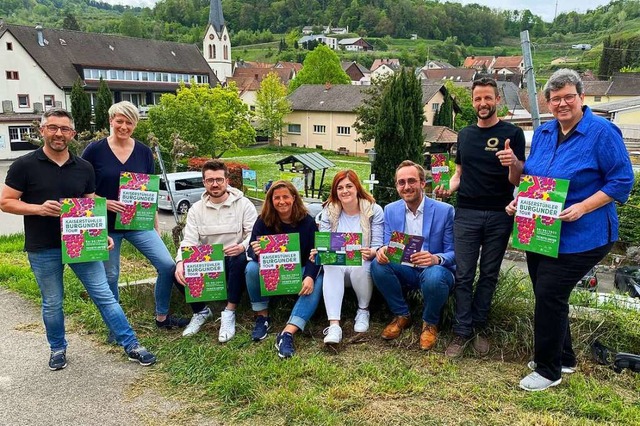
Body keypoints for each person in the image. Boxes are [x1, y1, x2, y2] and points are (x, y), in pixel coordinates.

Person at [505, 69, 633, 391]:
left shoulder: (603, 133)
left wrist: (583, 206)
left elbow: (622, 180)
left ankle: (548, 371)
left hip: (585, 233)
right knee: (548, 295)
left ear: (581, 98)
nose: (562, 103)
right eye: (555, 98)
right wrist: (520, 200)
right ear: (548, 103)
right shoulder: (546, 134)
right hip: (542, 231)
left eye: (568, 97)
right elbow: (535, 179)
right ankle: (564, 357)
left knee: (549, 292)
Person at [0, 108, 156, 370]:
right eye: (53, 128)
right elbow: (5, 202)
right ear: (43, 131)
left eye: (64, 129)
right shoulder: (24, 165)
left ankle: (131, 344)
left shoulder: (83, 167)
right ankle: (58, 348)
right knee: (52, 302)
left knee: (104, 295)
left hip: (81, 242)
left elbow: (89, 202)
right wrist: (37, 209)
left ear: (72, 134)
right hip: (43, 246)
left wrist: (101, 232)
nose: (58, 134)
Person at [435, 77, 526, 358]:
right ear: (472, 102)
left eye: (488, 98)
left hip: (500, 214)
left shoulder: (513, 133)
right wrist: (446, 188)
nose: (483, 103)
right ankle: (461, 331)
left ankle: (480, 327)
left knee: (488, 274)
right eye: (478, 99)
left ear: (497, 100)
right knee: (463, 275)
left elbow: (518, 179)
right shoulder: (465, 134)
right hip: (467, 213)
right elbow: (459, 174)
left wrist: (513, 163)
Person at [82, 101, 191, 334]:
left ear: (135, 124)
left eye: (129, 122)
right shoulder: (94, 150)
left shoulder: (143, 151)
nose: (123, 126)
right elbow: (81, 187)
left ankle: (162, 317)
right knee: (111, 275)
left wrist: (155, 225)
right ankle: (116, 327)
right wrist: (103, 202)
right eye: (119, 121)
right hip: (105, 225)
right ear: (110, 121)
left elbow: (148, 192)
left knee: (167, 265)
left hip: (137, 223)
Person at [370, 160, 455, 351]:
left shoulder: (445, 211)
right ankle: (402, 315)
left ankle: (430, 323)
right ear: (396, 186)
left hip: (435, 270)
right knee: (378, 265)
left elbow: (455, 252)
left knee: (435, 275)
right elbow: (387, 243)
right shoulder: (391, 210)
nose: (406, 187)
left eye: (411, 181)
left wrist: (435, 259)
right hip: (405, 269)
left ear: (423, 183)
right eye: (401, 182)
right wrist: (382, 250)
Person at [174, 159, 257, 341]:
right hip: (209, 263)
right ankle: (201, 311)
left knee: (240, 259)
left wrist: (242, 246)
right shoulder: (196, 209)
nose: (215, 184)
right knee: (177, 270)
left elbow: (254, 234)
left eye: (219, 179)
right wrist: (180, 262)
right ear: (204, 182)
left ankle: (229, 312)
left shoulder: (244, 205)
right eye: (210, 180)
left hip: (235, 260)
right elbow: (189, 240)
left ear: (227, 181)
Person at [245, 180, 323, 358]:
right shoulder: (263, 220)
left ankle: (288, 332)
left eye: (286, 197)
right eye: (276, 198)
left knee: (318, 280)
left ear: (294, 198)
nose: (281, 201)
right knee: (250, 268)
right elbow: (251, 248)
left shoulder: (307, 222)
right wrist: (255, 250)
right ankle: (262, 317)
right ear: (270, 200)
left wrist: (309, 276)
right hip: (271, 271)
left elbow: (315, 254)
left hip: (299, 270)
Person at [315, 170, 384, 344]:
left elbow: (377, 243)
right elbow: (324, 244)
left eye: (349, 186)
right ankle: (334, 325)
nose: (344, 191)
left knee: (362, 262)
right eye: (340, 188)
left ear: (357, 188)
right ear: (335, 191)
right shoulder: (328, 212)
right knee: (329, 264)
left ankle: (363, 310)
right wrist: (319, 252)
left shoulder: (373, 210)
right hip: (338, 266)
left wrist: (373, 251)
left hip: (361, 265)